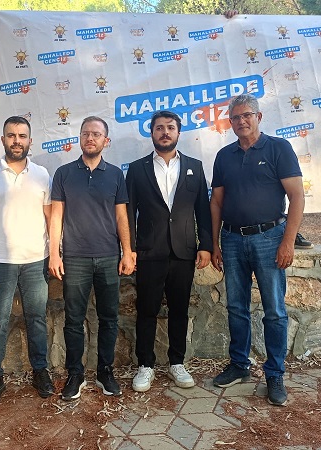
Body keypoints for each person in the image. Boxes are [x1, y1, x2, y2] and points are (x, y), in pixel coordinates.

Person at [210, 94, 305, 406]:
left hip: (269, 238)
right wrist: (214, 243)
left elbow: (297, 197)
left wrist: (287, 241)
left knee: (274, 310)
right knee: (236, 307)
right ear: (230, 122)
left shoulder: (278, 148)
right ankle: (239, 365)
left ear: (259, 117)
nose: (241, 121)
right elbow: (216, 202)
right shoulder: (223, 156)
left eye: (246, 115)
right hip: (232, 240)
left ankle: (275, 373)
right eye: (235, 117)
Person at [0, 116, 54, 407]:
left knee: (37, 318)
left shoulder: (42, 175)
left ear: (30, 141)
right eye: (12, 135)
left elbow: (51, 218)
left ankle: (40, 371)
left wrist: (55, 252)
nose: (17, 141)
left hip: (35, 260)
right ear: (2, 140)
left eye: (22, 136)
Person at [126, 111, 213, 392]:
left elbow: (203, 210)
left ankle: (177, 362)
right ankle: (145, 365)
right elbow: (128, 212)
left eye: (170, 128)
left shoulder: (195, 167)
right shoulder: (137, 169)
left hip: (183, 251)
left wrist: (206, 245)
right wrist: (129, 249)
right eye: (159, 128)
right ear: (151, 133)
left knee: (179, 310)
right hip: (149, 252)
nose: (165, 132)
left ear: (178, 132)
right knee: (146, 310)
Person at [49, 116, 135, 401]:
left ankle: (105, 372)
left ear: (105, 141)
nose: (90, 138)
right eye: (85, 133)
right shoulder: (63, 173)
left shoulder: (115, 175)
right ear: (79, 138)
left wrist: (127, 251)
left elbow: (121, 216)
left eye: (96, 134)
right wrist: (54, 253)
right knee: (73, 319)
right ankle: (75, 374)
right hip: (75, 258)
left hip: (109, 257)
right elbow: (57, 215)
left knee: (109, 318)